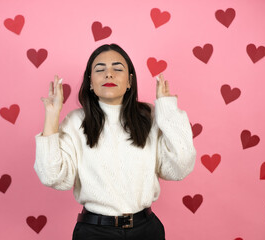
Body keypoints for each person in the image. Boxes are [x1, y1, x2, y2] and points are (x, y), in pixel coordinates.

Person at [34, 43, 196, 240]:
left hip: (146, 230)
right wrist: (52, 115)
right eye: (100, 70)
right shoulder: (76, 121)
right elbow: (52, 177)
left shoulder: (150, 116)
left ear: (129, 81)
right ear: (91, 82)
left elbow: (180, 167)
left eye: (117, 69)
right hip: (94, 232)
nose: (109, 74)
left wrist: (168, 110)